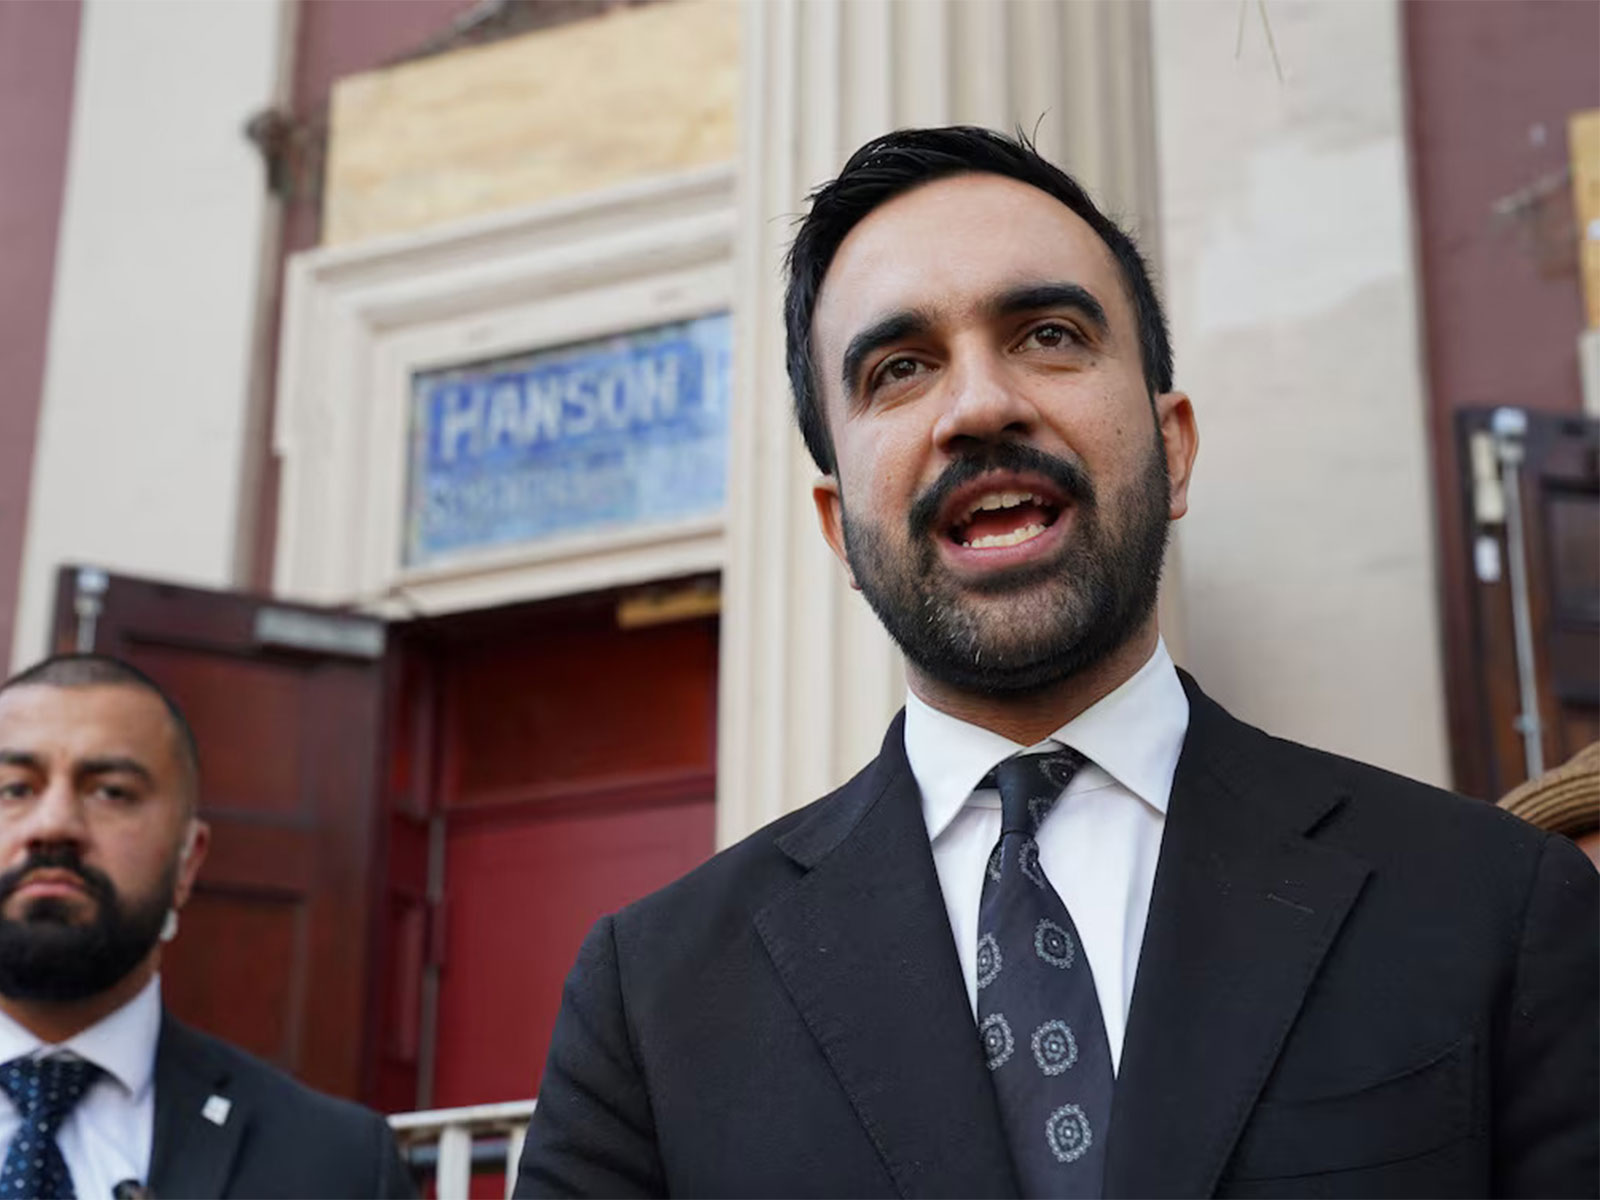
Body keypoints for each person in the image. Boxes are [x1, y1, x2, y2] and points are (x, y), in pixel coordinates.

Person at [516, 127, 1599, 1198]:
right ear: (837, 527)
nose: (982, 405)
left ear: (1172, 446)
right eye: (899, 368)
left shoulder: (1494, 907)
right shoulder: (649, 1003)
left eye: (1046, 335)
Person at [0, 653, 414, 1199]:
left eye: (112, 792)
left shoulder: (336, 1160)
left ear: (188, 861)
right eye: (14, 788)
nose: (54, 824)